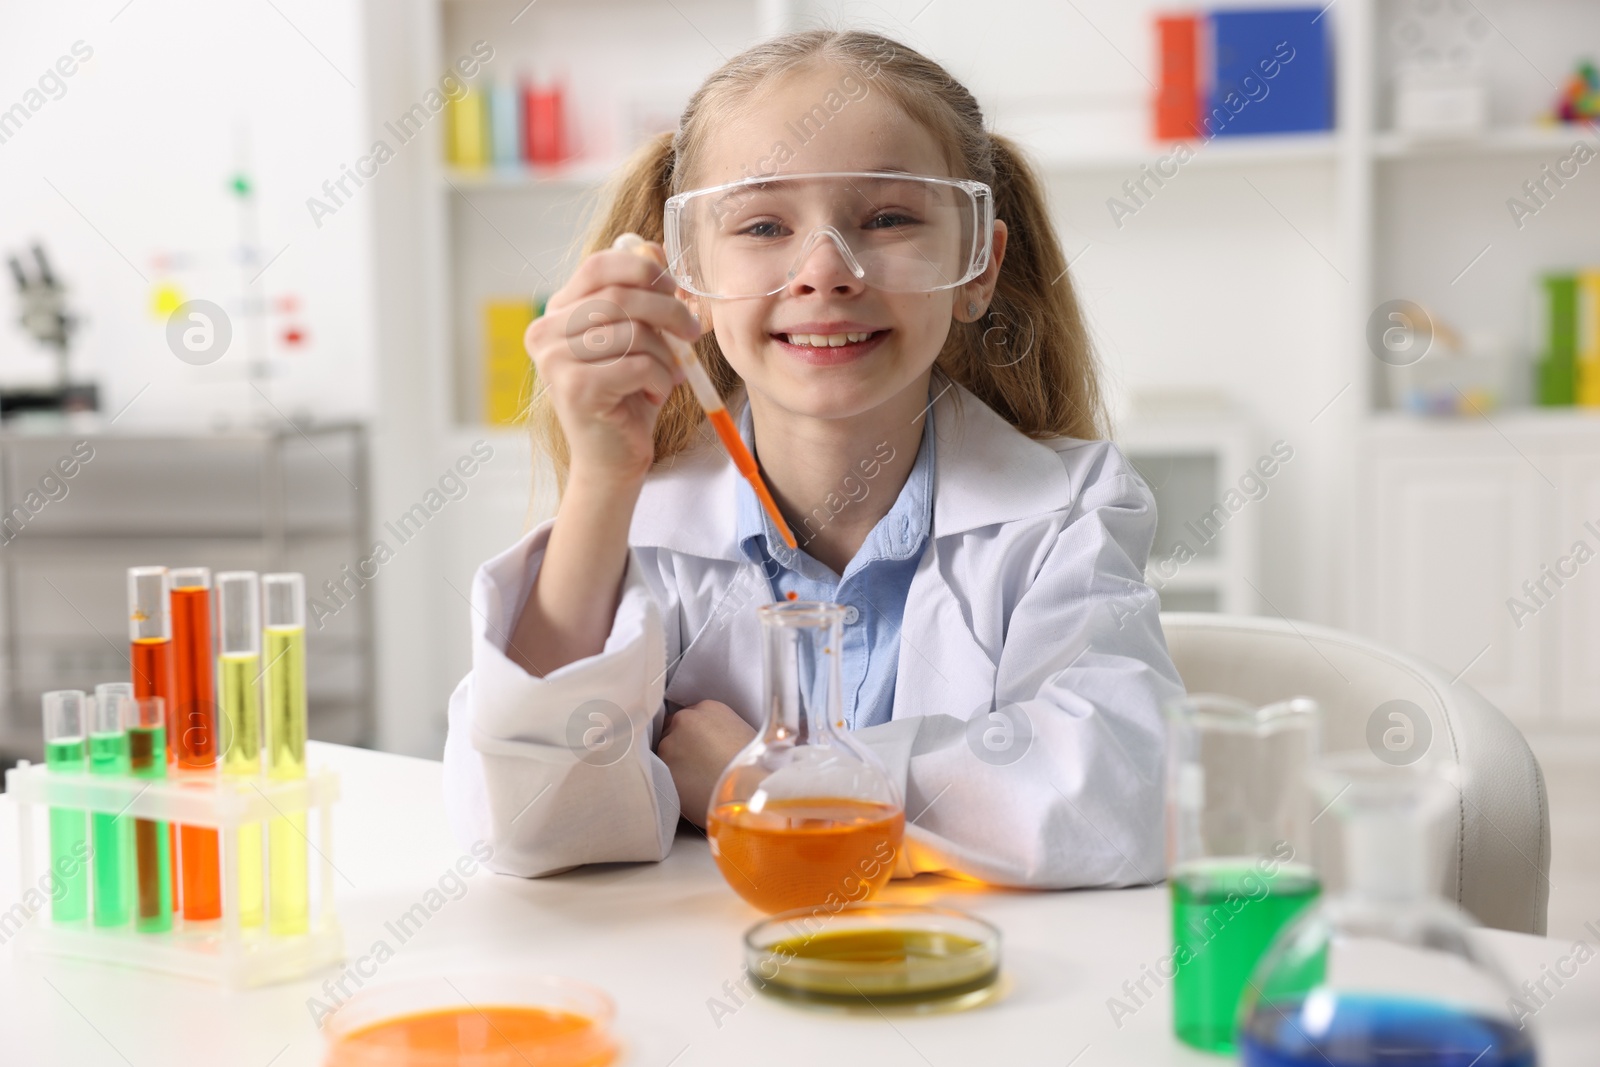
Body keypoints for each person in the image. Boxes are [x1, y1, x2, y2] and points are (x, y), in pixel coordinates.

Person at [442, 28, 1185, 888]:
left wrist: (774, 778)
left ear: (977, 263)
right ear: (688, 277)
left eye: (890, 217)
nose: (825, 270)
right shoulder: (640, 518)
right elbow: (525, 822)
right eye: (762, 224)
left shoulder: (1068, 507)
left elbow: (1120, 792)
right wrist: (605, 480)